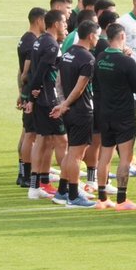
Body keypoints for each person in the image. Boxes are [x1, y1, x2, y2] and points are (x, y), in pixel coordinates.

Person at [93, 23, 136, 210]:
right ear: (122, 36)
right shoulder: (126, 61)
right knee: (125, 157)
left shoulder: (100, 58)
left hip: (104, 113)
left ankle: (102, 198)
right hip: (124, 114)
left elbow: (96, 85)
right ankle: (122, 200)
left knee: (104, 155)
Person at [49, 20, 99, 208]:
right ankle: (73, 195)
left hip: (69, 110)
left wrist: (62, 103)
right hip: (81, 111)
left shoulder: (68, 53)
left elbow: (59, 82)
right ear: (91, 36)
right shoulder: (88, 59)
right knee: (77, 155)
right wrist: (65, 104)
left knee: (72, 152)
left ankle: (62, 191)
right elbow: (80, 88)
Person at [22, 9, 68, 201]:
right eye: (64, 22)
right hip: (49, 100)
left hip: (42, 99)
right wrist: (32, 97)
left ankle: (36, 186)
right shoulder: (51, 45)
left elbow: (32, 70)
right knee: (62, 141)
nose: (66, 26)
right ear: (56, 24)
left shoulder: (40, 40)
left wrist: (30, 96)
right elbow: (40, 71)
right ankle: (68, 187)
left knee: (43, 140)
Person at [16, 6, 46, 188]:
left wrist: (21, 92)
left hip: (26, 92)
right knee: (31, 134)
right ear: (38, 20)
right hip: (31, 94)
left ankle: (23, 174)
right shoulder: (31, 42)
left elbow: (20, 72)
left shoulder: (25, 39)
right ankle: (26, 175)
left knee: (28, 133)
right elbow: (25, 72)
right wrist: (27, 93)